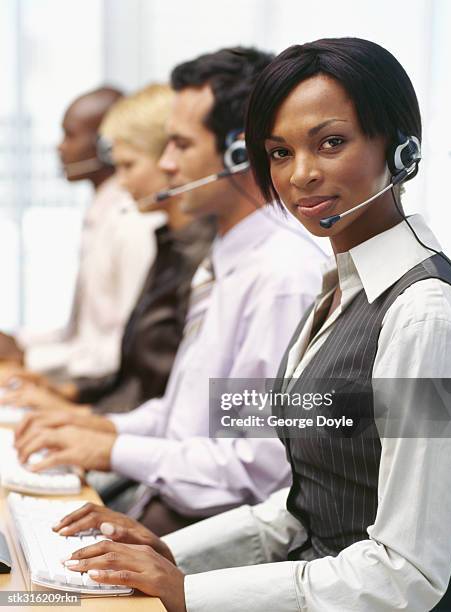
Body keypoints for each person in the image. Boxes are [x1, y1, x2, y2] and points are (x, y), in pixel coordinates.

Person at [48, 38, 451, 612]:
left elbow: (408, 571)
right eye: (281, 152)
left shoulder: (425, 317)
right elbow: (306, 500)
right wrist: (172, 553)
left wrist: (190, 589)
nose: (301, 175)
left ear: (401, 148)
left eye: (331, 143)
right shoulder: (339, 291)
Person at [14, 47, 326, 535]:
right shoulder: (228, 259)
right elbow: (191, 413)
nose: (166, 163)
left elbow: (256, 466)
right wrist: (103, 428)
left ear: (238, 153)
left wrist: (113, 448)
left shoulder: (282, 279)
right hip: (171, 501)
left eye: (179, 145)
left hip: (214, 528)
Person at [1, 84, 214, 414]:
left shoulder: (141, 229)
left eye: (128, 166)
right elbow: (148, 383)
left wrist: (81, 416)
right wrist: (71, 401)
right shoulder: (169, 242)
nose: (122, 180)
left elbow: (238, 433)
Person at [0, 87, 159, 380]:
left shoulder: (132, 221)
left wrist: (27, 357)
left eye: (70, 135)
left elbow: (121, 349)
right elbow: (82, 335)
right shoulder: (101, 212)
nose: (60, 147)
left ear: (105, 146)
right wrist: (19, 343)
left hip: (106, 396)